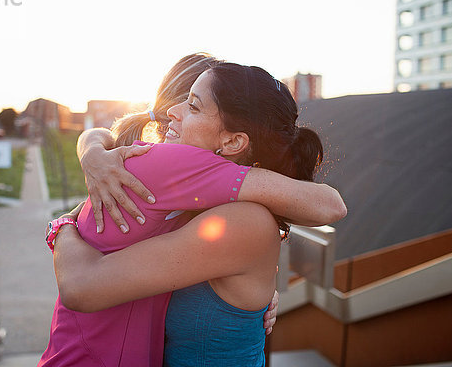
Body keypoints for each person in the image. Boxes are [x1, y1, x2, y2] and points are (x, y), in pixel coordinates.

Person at [39, 59, 346, 366]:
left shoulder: (239, 217)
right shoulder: (189, 195)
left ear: (234, 141)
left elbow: (330, 205)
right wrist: (91, 153)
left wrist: (63, 225)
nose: (174, 111)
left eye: (194, 106)